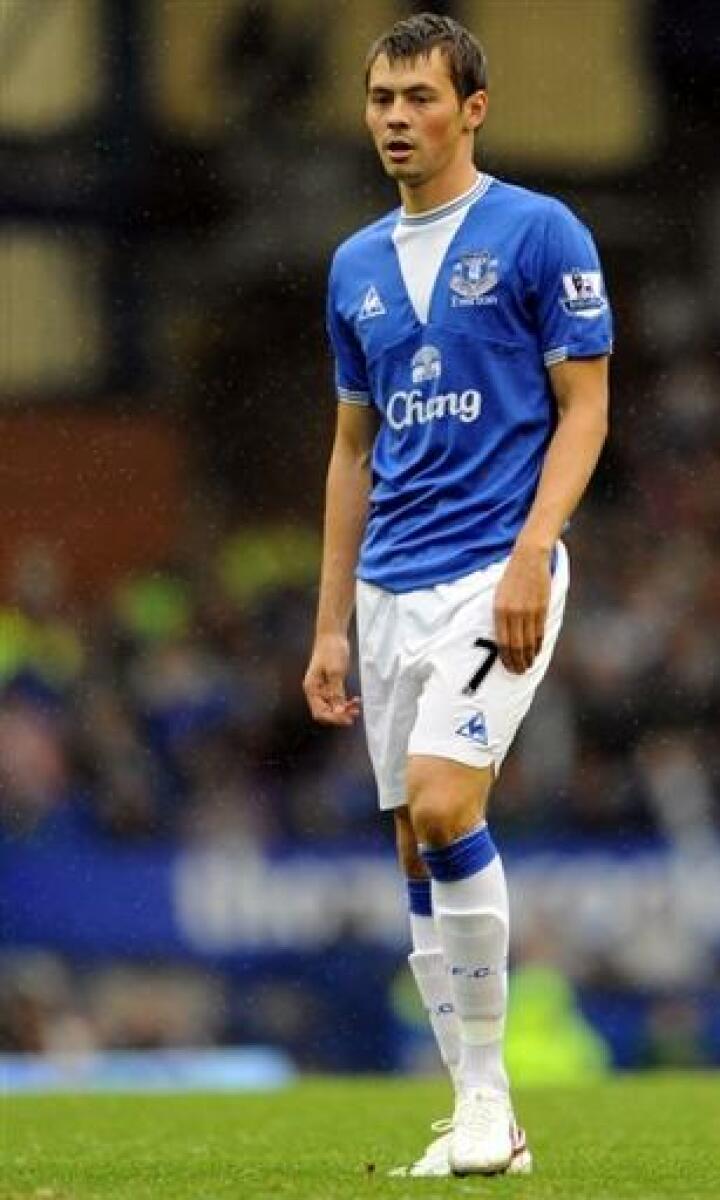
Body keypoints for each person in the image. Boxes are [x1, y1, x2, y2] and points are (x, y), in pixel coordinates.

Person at [303, 11, 611, 1179]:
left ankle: (489, 1103)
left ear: (471, 109)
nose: (396, 118)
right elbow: (352, 451)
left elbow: (585, 407)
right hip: (388, 586)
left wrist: (536, 549)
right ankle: (479, 1114)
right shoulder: (354, 267)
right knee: (411, 846)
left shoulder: (539, 231)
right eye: (382, 98)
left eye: (420, 97)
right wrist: (330, 624)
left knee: (443, 805)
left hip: (495, 567)